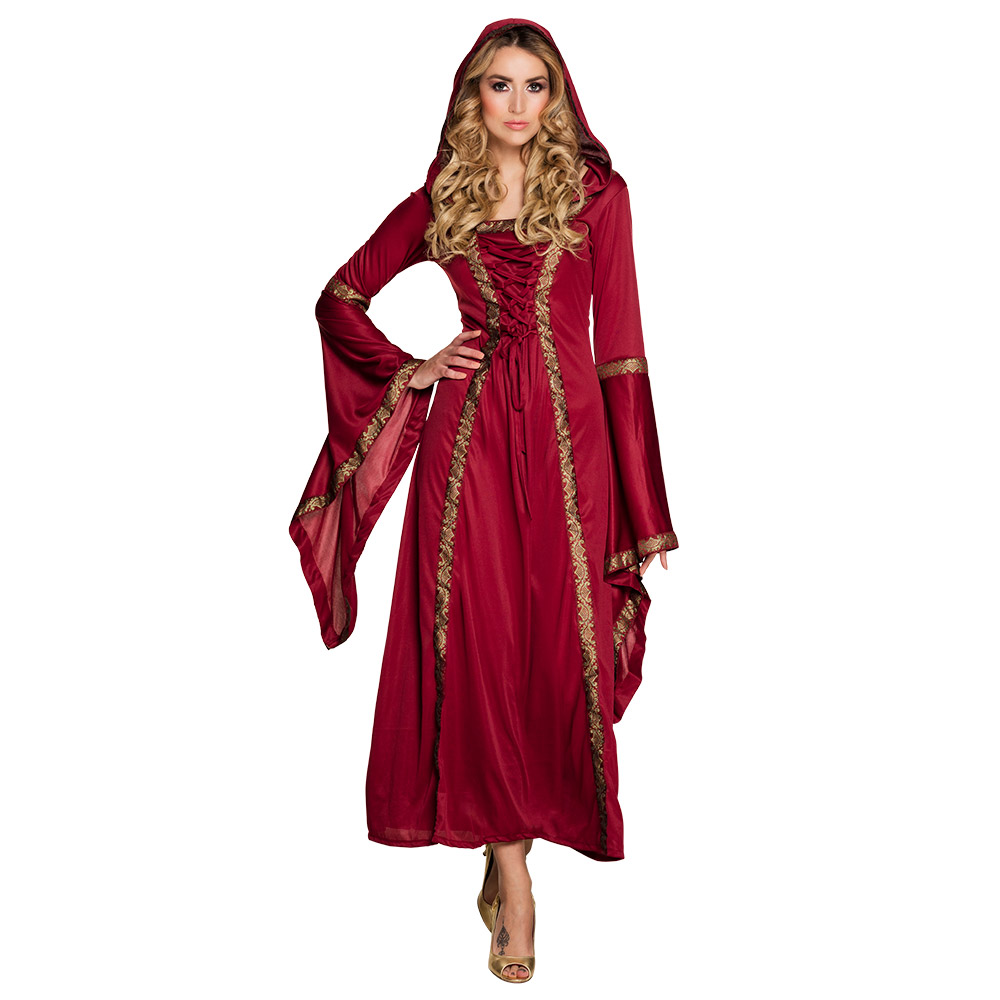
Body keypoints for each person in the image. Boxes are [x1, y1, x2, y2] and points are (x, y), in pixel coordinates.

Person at [288, 17, 679, 982]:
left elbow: (622, 351)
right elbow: (339, 297)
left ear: (558, 96)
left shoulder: (599, 194)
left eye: (533, 86)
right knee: (483, 649)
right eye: (498, 85)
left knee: (554, 656)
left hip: (573, 451)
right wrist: (414, 369)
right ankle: (514, 882)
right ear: (473, 96)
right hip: (468, 455)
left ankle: (510, 847)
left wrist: (645, 500)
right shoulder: (443, 197)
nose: (516, 103)